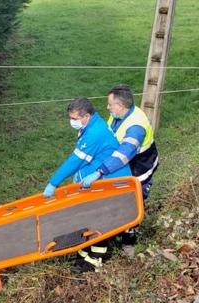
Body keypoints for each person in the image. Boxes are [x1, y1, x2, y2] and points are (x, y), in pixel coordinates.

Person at [43, 97, 131, 270]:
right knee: (89, 215)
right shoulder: (91, 125)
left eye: (75, 119)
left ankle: (95, 259)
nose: (72, 122)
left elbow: (75, 161)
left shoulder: (94, 133)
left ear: (87, 116)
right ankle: (85, 252)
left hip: (110, 183)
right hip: (103, 180)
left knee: (99, 219)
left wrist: (53, 183)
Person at [81, 84, 160, 255]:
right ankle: (118, 231)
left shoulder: (136, 127)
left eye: (110, 104)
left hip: (140, 168)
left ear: (121, 106)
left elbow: (123, 154)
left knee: (133, 202)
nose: (107, 107)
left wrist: (100, 171)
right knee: (119, 199)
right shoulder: (118, 116)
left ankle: (128, 243)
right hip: (125, 165)